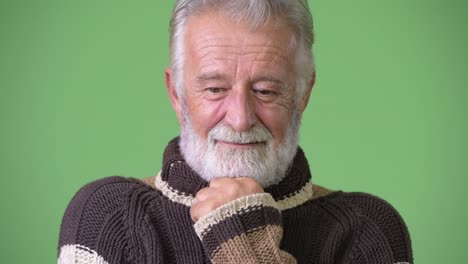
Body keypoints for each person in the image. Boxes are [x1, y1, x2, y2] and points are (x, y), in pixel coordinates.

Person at [58, 1, 413, 263]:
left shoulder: (370, 230)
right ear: (176, 94)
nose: (240, 119)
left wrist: (246, 247)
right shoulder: (108, 214)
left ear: (302, 94)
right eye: (215, 89)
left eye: (266, 91)